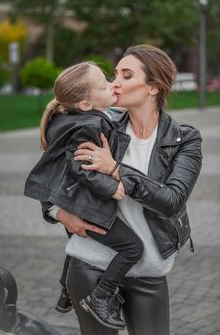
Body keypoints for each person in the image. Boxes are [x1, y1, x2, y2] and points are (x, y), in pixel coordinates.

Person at [43, 45, 203, 335]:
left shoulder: (185, 139)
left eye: (126, 75)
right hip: (91, 265)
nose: (114, 82)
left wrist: (116, 169)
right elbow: (52, 174)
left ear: (153, 87)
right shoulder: (98, 124)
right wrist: (58, 212)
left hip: (150, 272)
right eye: (114, 74)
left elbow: (172, 201)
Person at [24, 61, 147, 330]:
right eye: (104, 84)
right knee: (133, 248)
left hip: (73, 202)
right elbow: (81, 167)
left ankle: (66, 291)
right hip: (85, 205)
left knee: (75, 245)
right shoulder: (88, 126)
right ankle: (101, 296)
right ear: (84, 104)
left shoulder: (70, 117)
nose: (111, 84)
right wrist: (112, 187)